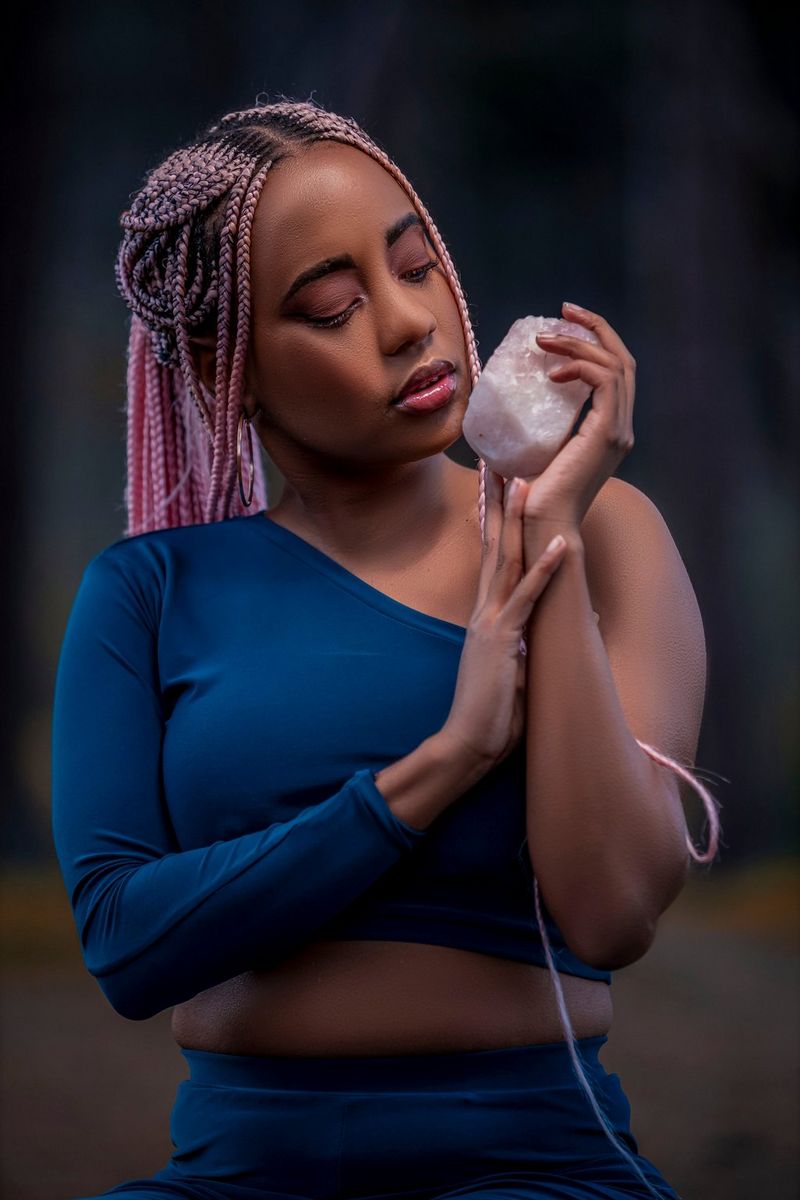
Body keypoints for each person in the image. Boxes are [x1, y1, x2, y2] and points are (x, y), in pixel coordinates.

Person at [51, 96, 721, 1200]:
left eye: (415, 267)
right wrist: (443, 762)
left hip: (536, 1166)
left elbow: (611, 908)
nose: (409, 323)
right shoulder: (147, 593)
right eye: (330, 306)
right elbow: (126, 945)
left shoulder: (604, 531)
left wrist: (542, 530)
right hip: (233, 1173)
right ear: (232, 368)